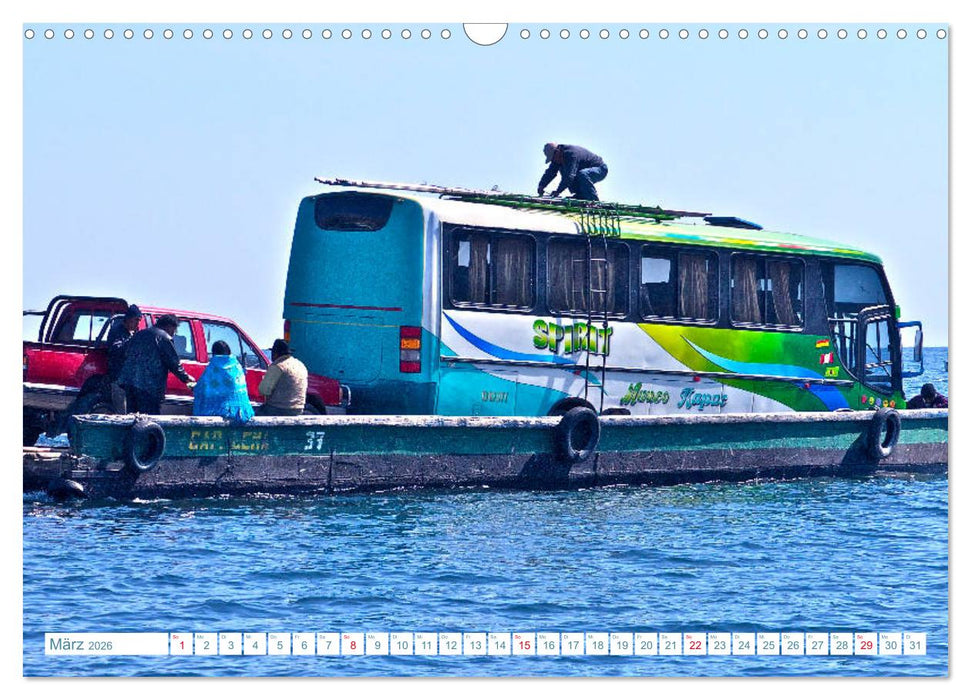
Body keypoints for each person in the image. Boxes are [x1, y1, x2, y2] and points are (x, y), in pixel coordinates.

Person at [118, 314, 196, 414]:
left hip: (130, 383)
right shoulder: (164, 337)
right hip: (149, 387)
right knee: (150, 417)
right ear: (169, 326)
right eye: (174, 330)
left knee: (132, 415)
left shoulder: (139, 334)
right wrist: (186, 378)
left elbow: (125, 353)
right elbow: (173, 362)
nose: (174, 333)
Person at [192, 340, 254, 423]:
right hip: (242, 413)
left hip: (218, 411)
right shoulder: (237, 366)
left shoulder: (213, 367)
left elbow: (202, 387)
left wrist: (193, 387)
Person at [537, 142, 608, 201]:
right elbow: (550, 173)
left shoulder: (571, 154)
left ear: (557, 152)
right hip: (582, 170)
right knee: (567, 171)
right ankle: (580, 195)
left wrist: (558, 191)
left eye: (553, 158)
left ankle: (593, 200)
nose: (553, 161)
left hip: (600, 169)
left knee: (580, 174)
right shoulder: (557, 158)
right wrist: (541, 185)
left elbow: (569, 176)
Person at [105, 304, 143, 413]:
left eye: (139, 320)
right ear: (129, 319)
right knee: (121, 412)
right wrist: (132, 340)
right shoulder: (117, 331)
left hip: (131, 380)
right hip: (118, 378)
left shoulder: (133, 332)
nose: (137, 323)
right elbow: (116, 349)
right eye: (136, 320)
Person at [257, 339, 308, 416]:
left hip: (278, 409)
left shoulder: (277, 366)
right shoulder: (300, 365)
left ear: (275, 353)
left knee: (251, 415)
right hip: (298, 409)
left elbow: (263, 390)